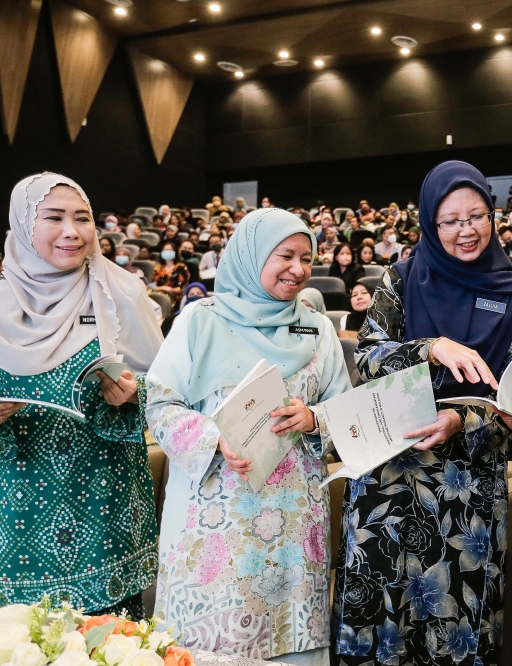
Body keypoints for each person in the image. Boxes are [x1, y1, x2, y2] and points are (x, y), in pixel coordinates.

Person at [335, 161, 512, 666]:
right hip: (389, 475)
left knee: (459, 619)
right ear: (429, 221)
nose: (466, 230)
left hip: (466, 485)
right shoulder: (400, 278)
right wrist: (430, 348)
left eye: (477, 216)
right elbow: (366, 357)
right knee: (383, 615)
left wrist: (464, 419)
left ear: (493, 215)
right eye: (450, 220)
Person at [146, 208, 352, 660]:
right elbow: (160, 402)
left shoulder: (318, 330)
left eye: (306, 257)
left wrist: (315, 417)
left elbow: (346, 412)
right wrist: (208, 436)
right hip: (217, 522)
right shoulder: (199, 321)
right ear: (250, 255)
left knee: (293, 644)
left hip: (295, 529)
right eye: (284, 256)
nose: (298, 269)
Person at [0, 172, 163, 615]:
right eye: (53, 217)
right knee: (25, 643)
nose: (72, 232)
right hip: (14, 506)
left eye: (82, 218)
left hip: (105, 501)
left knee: (111, 647)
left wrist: (134, 393)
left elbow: (172, 388)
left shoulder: (123, 292)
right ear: (21, 223)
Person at [154, 241, 191, 307]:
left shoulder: (181, 267)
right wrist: (163, 288)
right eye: (165, 250)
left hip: (175, 296)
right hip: (159, 293)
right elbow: (153, 285)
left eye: (170, 250)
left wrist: (170, 289)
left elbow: (182, 287)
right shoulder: (158, 268)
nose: (167, 252)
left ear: (175, 252)